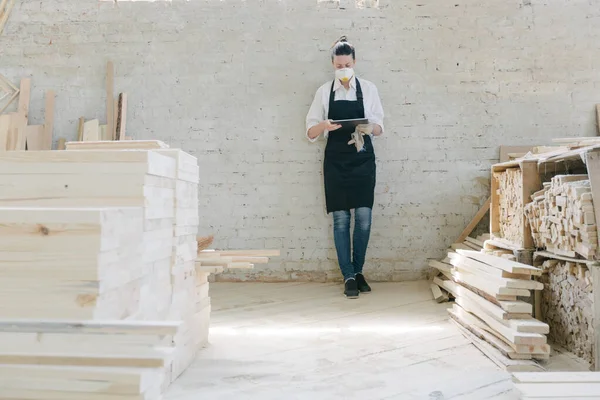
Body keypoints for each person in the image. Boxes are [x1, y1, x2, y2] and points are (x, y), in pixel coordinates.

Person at [305, 36, 385, 299]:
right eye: (339, 66)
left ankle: (359, 271)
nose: (343, 69)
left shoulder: (369, 89)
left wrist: (368, 127)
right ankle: (348, 275)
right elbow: (310, 131)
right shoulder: (323, 92)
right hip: (336, 161)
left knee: (363, 218)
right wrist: (325, 126)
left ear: (355, 62)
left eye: (347, 64)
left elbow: (380, 128)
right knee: (341, 220)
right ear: (332, 65)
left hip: (362, 158)